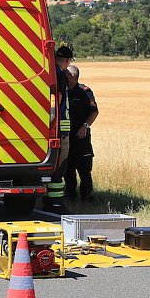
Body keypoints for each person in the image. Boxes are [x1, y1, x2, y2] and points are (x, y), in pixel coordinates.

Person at [44, 45, 73, 213]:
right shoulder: (59, 75)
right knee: (59, 167)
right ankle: (55, 204)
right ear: (67, 61)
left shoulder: (50, 71)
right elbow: (59, 99)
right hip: (60, 129)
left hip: (53, 127)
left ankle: (50, 201)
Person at [65, 64, 99, 202]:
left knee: (84, 167)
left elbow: (94, 111)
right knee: (68, 167)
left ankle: (86, 195)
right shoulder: (63, 90)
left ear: (73, 76)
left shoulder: (84, 91)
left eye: (66, 75)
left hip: (81, 136)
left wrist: (85, 126)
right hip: (66, 136)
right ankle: (70, 195)